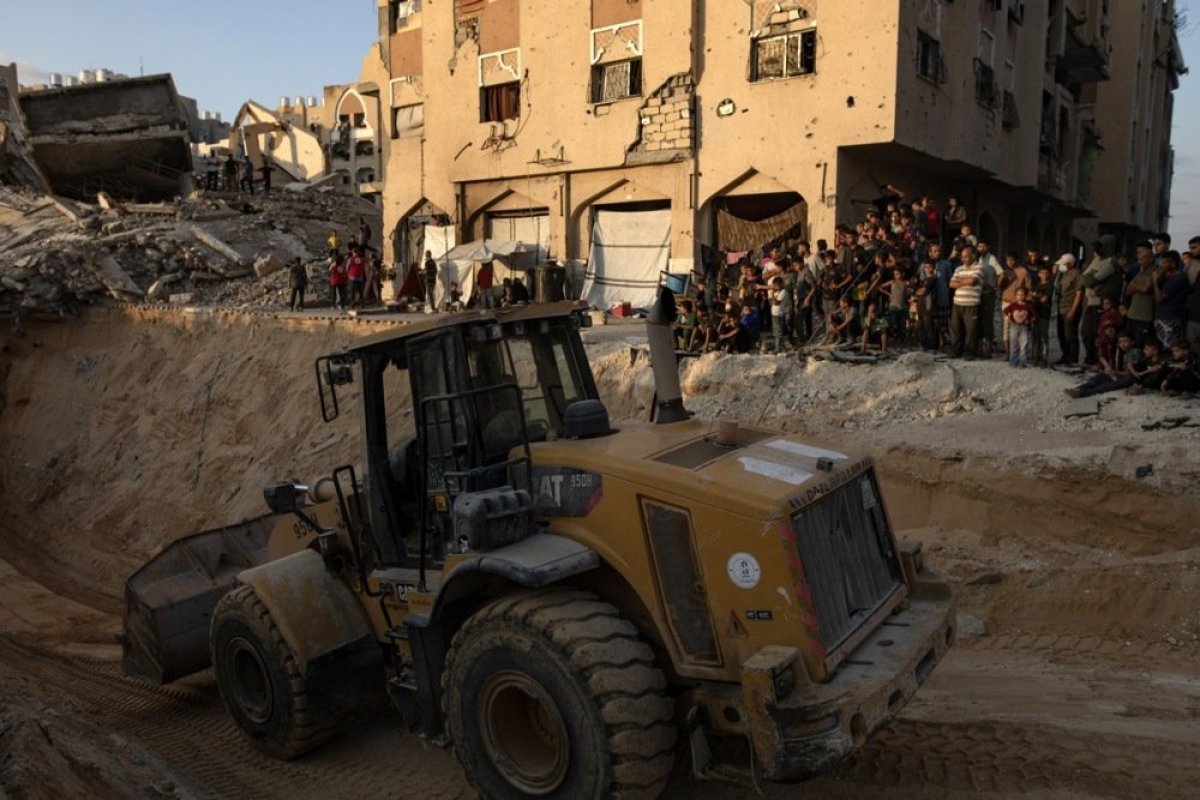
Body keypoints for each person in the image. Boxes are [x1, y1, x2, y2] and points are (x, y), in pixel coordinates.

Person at [1065, 331, 1137, 398]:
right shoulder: (1120, 352)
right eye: (1120, 342)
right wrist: (1110, 371)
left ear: (1132, 342)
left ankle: (1082, 393)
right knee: (1099, 377)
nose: (1123, 344)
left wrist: (1114, 373)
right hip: (1118, 375)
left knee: (1106, 386)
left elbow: (1131, 374)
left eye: (1125, 341)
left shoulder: (1135, 353)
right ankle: (1079, 388)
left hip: (1129, 379)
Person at [948, 246, 983, 358]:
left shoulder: (979, 267)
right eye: (962, 257)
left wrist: (960, 281)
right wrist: (966, 281)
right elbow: (951, 283)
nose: (964, 259)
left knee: (971, 330)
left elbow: (972, 281)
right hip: (957, 303)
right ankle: (956, 351)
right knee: (956, 329)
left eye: (966, 257)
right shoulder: (959, 268)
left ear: (973, 255)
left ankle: (970, 352)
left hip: (971, 303)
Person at [1152, 250, 1189, 348]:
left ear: (1173, 264)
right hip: (1162, 316)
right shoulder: (1167, 276)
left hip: (1170, 318)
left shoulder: (1178, 278)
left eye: (1164, 263)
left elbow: (1159, 298)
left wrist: (1155, 281)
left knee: (1169, 347)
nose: (1162, 265)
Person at [1124, 241, 1157, 345]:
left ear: (1150, 259)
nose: (1139, 262)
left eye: (1142, 259)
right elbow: (1128, 290)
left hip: (1144, 316)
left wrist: (1135, 286)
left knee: (1141, 343)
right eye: (1138, 259)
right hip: (1132, 314)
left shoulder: (1155, 272)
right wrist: (1137, 287)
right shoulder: (1139, 272)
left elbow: (1145, 289)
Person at [1054, 253, 1084, 364]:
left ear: (1070, 264)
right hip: (1061, 308)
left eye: (1064, 264)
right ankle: (1065, 356)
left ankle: (1073, 358)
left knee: (1070, 335)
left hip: (1070, 308)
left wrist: (1073, 310)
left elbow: (1079, 294)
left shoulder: (1077, 275)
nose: (1061, 266)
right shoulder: (1063, 274)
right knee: (1061, 334)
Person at [1003, 287, 1035, 367]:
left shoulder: (1028, 306)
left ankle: (1022, 362)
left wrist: (1029, 321)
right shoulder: (1013, 305)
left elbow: (1033, 315)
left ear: (1025, 296)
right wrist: (1009, 318)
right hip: (1014, 326)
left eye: (1022, 295)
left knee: (1023, 344)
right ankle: (1013, 361)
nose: (1020, 297)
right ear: (1015, 296)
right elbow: (1005, 311)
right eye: (1018, 295)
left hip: (1024, 327)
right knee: (1013, 344)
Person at [1031, 265, 1053, 367]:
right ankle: (1036, 357)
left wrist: (1035, 296)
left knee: (1044, 336)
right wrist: (1036, 296)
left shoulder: (1049, 286)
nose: (1044, 275)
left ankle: (1044, 358)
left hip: (1044, 314)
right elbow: (1032, 296)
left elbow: (1044, 299)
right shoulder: (1037, 285)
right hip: (1035, 313)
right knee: (1036, 336)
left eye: (1046, 273)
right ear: (1039, 274)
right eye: (1042, 273)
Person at [768, 276, 790, 352]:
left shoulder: (783, 292)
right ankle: (779, 346)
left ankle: (777, 347)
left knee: (778, 332)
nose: (775, 287)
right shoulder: (777, 292)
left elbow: (776, 303)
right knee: (777, 331)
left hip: (779, 314)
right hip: (774, 314)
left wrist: (772, 295)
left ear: (780, 284)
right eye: (774, 285)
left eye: (776, 285)